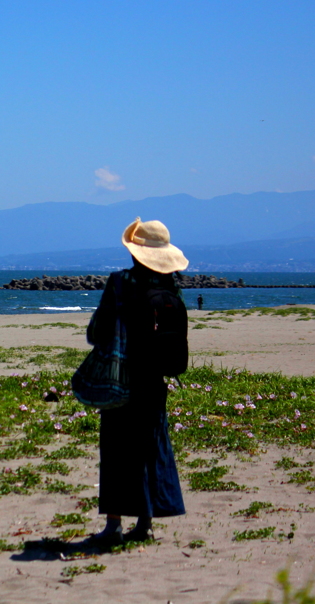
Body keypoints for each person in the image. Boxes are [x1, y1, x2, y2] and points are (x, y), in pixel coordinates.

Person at [85, 217, 188, 545]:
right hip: (154, 380)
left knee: (116, 449)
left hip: (122, 379)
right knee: (151, 448)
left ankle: (114, 525)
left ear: (134, 253)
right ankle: (145, 523)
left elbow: (97, 331)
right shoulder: (171, 287)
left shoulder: (119, 282)